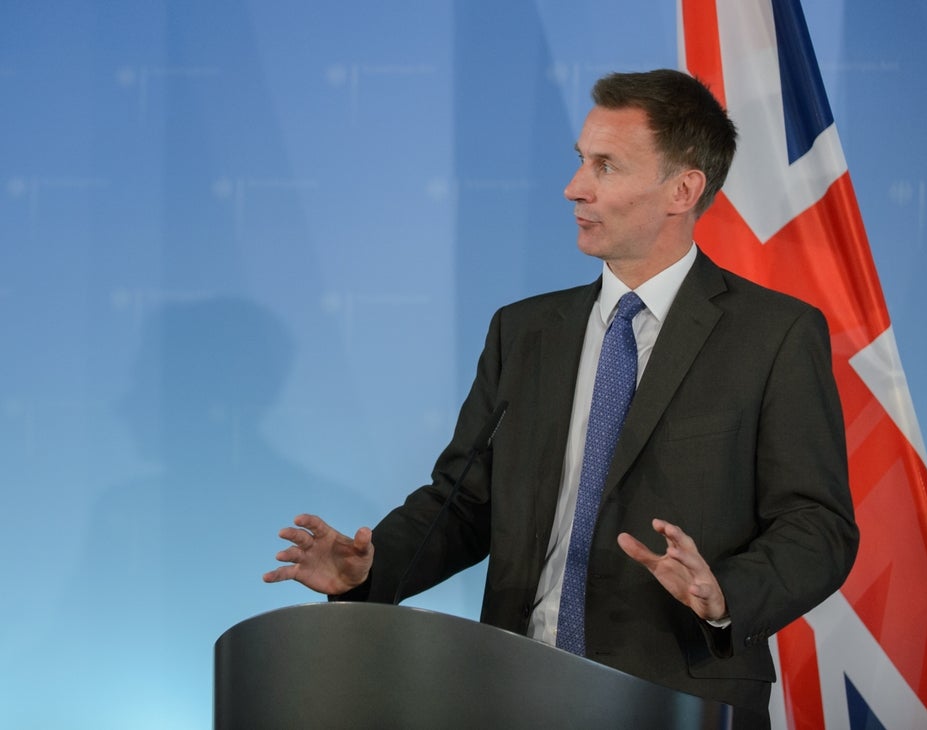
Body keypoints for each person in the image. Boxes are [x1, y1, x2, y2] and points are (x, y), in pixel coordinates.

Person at [264, 69, 859, 726]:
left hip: (679, 700)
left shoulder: (773, 335)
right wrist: (371, 570)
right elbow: (462, 504)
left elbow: (818, 525)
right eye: (581, 161)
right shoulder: (523, 332)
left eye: (606, 166)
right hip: (512, 693)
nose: (575, 187)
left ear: (683, 190)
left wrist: (725, 594)